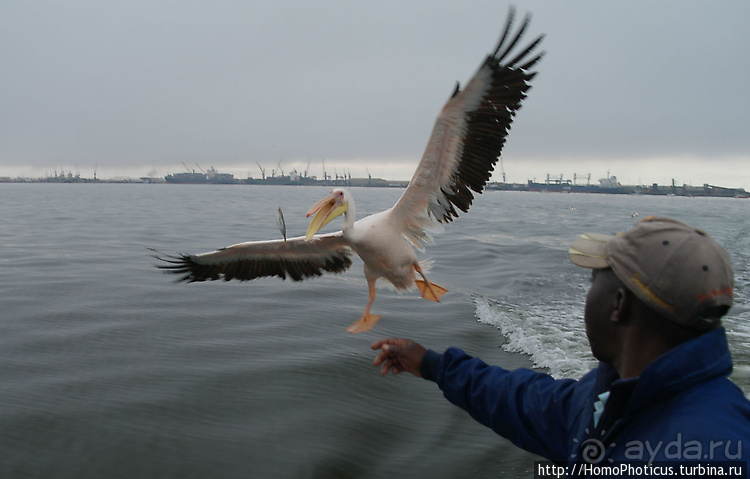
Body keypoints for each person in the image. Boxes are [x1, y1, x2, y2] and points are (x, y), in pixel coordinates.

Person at [372, 216, 750, 470]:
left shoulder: (705, 455)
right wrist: (433, 365)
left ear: (618, 305)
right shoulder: (616, 397)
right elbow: (530, 403)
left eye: (593, 282)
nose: (587, 297)